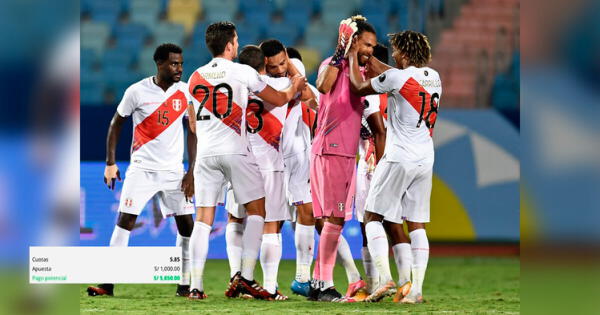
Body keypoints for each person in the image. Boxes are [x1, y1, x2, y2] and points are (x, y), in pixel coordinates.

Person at [185, 21, 305, 300]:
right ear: (229, 45)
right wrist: (295, 85)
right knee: (257, 211)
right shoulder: (242, 71)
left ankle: (196, 287)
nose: (237, 45)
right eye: (236, 41)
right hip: (236, 151)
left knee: (203, 219)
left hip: (205, 153)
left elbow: (192, 123)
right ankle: (247, 278)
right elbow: (279, 97)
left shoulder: (194, 77)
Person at [87, 43, 196, 298]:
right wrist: (110, 163)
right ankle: (107, 283)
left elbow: (193, 131)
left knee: (187, 226)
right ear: (159, 64)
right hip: (142, 169)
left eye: (180, 63)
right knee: (125, 220)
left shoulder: (186, 92)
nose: (179, 68)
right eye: (173, 64)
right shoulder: (137, 91)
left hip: (173, 172)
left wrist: (191, 170)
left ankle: (184, 283)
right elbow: (116, 124)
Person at [347, 30, 442, 304]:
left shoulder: (397, 77)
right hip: (425, 158)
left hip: (399, 157)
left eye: (397, 50)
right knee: (416, 223)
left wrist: (355, 55)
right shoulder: (434, 77)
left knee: (372, 216)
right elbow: (396, 75)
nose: (395, 54)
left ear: (405, 53)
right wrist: (371, 59)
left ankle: (386, 279)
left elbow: (357, 87)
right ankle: (416, 291)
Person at [310, 15, 380, 302]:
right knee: (335, 219)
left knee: (332, 220)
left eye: (373, 46)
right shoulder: (333, 63)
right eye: (366, 44)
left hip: (342, 151)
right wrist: (341, 53)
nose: (370, 50)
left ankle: (318, 282)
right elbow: (323, 87)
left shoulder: (362, 72)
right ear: (353, 41)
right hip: (332, 148)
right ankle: (323, 283)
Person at [352, 43, 389, 300]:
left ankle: (377, 282)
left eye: (365, 60)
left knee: (368, 222)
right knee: (397, 225)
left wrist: (378, 158)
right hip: (396, 159)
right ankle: (409, 283)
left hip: (373, 160)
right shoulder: (400, 89)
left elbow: (378, 131)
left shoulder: (370, 92)